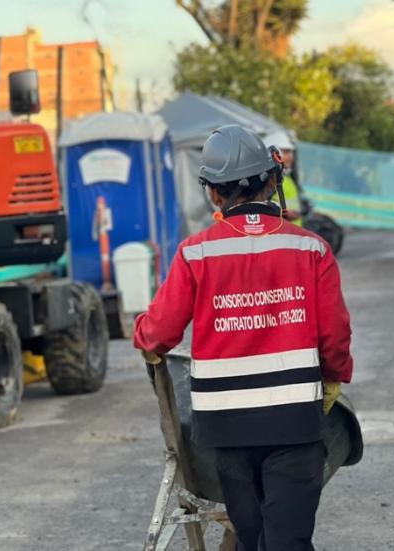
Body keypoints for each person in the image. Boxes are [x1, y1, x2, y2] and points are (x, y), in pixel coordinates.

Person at [134, 125, 353, 551]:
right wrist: (334, 375)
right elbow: (335, 337)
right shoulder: (311, 250)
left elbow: (157, 335)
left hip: (225, 430)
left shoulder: (195, 253)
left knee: (250, 539)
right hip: (294, 423)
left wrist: (140, 329)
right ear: (273, 181)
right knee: (288, 539)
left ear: (213, 194)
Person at [263, 130, 305, 226]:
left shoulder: (287, 178)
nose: (291, 156)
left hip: (293, 232)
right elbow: (262, 204)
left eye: (291, 152)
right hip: (279, 231)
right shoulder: (268, 179)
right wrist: (284, 214)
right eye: (286, 152)